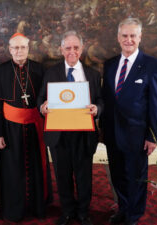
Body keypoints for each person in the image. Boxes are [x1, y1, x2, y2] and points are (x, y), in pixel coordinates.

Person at [101, 18, 157, 225]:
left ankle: (133, 216)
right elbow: (106, 98)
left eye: (133, 36)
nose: (129, 40)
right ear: (119, 38)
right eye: (125, 36)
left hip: (137, 135)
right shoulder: (109, 64)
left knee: (136, 178)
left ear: (140, 37)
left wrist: (152, 136)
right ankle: (123, 208)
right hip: (112, 133)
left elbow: (156, 105)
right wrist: (102, 129)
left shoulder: (153, 65)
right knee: (118, 174)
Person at [38, 30, 103, 225]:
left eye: (76, 47)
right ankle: (67, 211)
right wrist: (42, 107)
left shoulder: (93, 74)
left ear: (82, 49)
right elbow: (41, 99)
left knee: (84, 176)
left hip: (84, 135)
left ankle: (83, 212)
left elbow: (100, 100)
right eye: (68, 48)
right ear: (61, 49)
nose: (72, 51)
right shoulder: (51, 72)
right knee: (62, 175)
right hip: (59, 135)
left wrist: (97, 108)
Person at [0, 33, 52, 222]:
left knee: (37, 168)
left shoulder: (40, 70)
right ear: (9, 49)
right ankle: (15, 210)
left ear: (28, 48)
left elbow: (48, 100)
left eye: (22, 47)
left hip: (35, 126)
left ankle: (38, 207)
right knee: (13, 170)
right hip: (10, 128)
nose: (19, 51)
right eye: (15, 47)